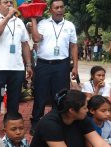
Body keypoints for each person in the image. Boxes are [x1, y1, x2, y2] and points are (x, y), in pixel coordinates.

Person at [30, 0, 78, 134]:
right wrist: (33, 20)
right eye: (56, 7)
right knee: (40, 94)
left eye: (61, 7)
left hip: (62, 65)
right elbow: (36, 39)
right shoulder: (43, 24)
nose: (59, 10)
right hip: (43, 64)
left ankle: (57, 121)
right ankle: (36, 123)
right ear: (50, 10)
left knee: (61, 95)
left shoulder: (69, 25)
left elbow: (74, 46)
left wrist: (75, 67)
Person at [0, 0, 32, 130]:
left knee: (14, 100)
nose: (9, 4)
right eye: (5, 2)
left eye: (11, 2)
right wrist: (8, 17)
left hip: (17, 68)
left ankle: (10, 125)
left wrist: (28, 64)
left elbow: (25, 44)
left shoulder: (19, 22)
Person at [30, 89, 111, 147]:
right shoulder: (49, 124)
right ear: (72, 110)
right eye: (84, 108)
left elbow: (101, 145)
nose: (87, 110)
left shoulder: (82, 118)